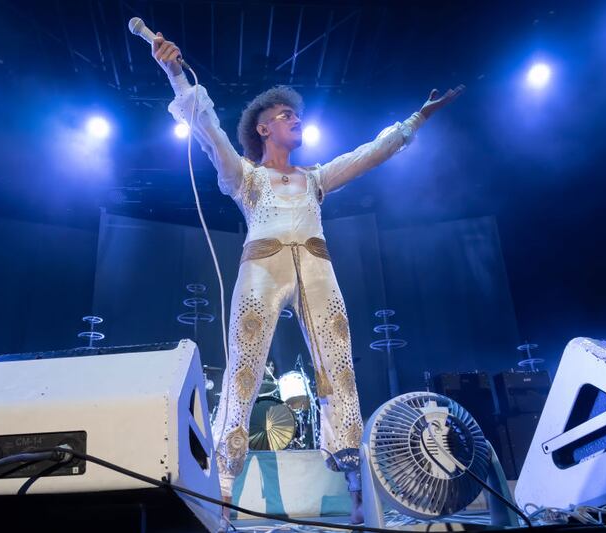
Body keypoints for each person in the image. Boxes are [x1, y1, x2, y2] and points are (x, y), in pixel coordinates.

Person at [152, 32, 463, 524]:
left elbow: (368, 154)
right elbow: (208, 130)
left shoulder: (315, 177)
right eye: (286, 116)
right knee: (244, 370)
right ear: (262, 128)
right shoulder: (245, 177)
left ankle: (356, 486)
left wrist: (416, 119)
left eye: (297, 116)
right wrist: (173, 71)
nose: (297, 120)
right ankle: (225, 487)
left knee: (338, 367)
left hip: (318, 269)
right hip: (261, 269)